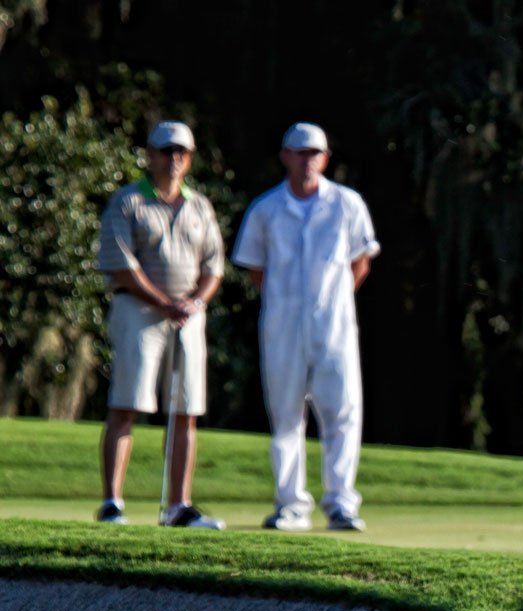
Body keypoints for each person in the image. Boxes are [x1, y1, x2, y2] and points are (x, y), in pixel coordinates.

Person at [231, 122, 381, 532]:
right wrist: (288, 303)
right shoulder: (265, 209)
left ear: (325, 158)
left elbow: (360, 260)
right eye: (299, 152)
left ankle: (340, 503)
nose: (306, 161)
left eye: (314, 153)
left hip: (335, 328)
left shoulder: (347, 204)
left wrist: (333, 300)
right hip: (282, 328)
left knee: (342, 413)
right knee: (285, 415)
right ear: (284, 156)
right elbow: (255, 268)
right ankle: (291, 504)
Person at [93, 120, 226, 529]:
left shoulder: (200, 205)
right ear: (149, 155)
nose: (173, 159)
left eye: (181, 152)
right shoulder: (128, 201)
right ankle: (113, 502)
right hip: (139, 312)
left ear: (189, 159)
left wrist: (195, 301)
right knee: (126, 405)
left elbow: (213, 265)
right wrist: (165, 302)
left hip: (188, 316)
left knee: (186, 410)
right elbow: (122, 267)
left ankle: (178, 506)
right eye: (166, 151)